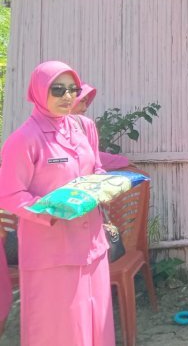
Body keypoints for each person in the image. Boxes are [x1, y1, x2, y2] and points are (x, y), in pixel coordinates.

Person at [0, 61, 115, 345]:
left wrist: (106, 186)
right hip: (52, 251)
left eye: (72, 89)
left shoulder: (83, 129)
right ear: (39, 91)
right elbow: (9, 194)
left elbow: (96, 169)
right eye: (58, 89)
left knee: (96, 320)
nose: (67, 96)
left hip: (91, 244)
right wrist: (49, 212)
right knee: (60, 329)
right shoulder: (24, 140)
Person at [72, 84, 130, 171]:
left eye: (86, 102)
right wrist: (122, 161)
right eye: (81, 101)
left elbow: (92, 156)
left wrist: (123, 162)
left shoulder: (84, 124)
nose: (85, 108)